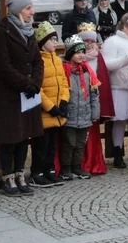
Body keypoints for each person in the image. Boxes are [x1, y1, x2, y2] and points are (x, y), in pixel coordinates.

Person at [0, 0, 43, 196]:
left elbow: (38, 61)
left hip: (28, 94)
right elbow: (4, 66)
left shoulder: (30, 32)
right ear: (17, 10)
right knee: (10, 136)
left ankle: (21, 174)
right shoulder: (1, 32)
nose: (32, 12)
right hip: (10, 93)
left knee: (24, 136)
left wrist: (35, 83)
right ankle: (8, 178)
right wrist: (24, 83)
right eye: (28, 8)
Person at [101, 12, 128, 168]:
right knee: (119, 121)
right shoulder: (113, 41)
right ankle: (117, 153)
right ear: (125, 26)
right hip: (119, 87)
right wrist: (126, 58)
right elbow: (106, 65)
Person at [30, 22, 68, 188]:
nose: (55, 42)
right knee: (41, 145)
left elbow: (64, 82)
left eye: (56, 39)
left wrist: (64, 101)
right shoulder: (38, 61)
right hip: (45, 112)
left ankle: (49, 169)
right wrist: (49, 106)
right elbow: (38, 88)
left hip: (57, 111)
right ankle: (36, 172)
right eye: (51, 39)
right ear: (42, 41)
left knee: (52, 144)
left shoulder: (57, 60)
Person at [60, 35, 100, 180]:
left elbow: (94, 94)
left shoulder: (88, 71)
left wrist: (95, 112)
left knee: (80, 143)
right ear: (70, 54)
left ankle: (77, 167)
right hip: (69, 114)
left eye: (83, 52)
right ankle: (66, 168)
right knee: (69, 143)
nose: (82, 55)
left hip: (85, 114)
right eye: (78, 53)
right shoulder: (65, 71)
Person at [77, 23, 111, 176]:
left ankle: (94, 162)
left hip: (93, 101)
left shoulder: (98, 57)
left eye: (91, 41)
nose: (89, 44)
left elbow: (102, 79)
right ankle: (79, 163)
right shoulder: (77, 57)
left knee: (93, 134)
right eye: (86, 41)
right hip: (78, 101)